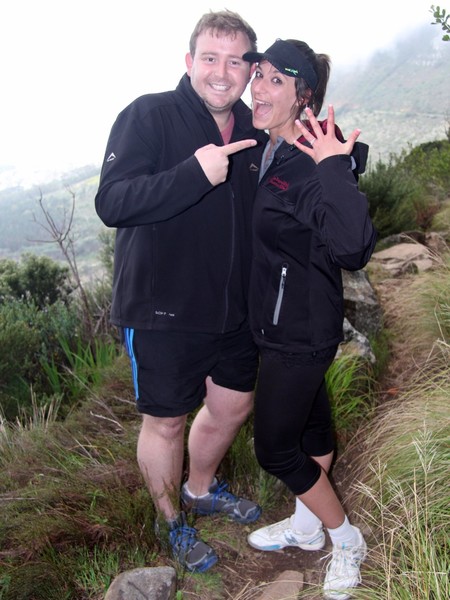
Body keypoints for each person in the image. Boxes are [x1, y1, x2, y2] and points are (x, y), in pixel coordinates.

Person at [95, 10, 268, 573]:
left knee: (233, 405)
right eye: (210, 58)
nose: (222, 72)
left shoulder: (254, 124)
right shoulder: (149, 115)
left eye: (236, 60)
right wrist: (195, 173)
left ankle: (199, 488)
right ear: (189, 62)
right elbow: (112, 202)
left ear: (250, 68)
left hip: (234, 309)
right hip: (161, 308)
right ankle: (171, 521)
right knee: (166, 421)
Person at [241, 39, 377, 599]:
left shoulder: (309, 161)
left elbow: (353, 247)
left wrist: (334, 167)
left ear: (304, 97)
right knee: (311, 430)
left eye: (278, 81)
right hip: (281, 323)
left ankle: (346, 539)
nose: (260, 88)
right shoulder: (269, 148)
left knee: (275, 447)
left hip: (299, 332)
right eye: (261, 75)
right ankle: (305, 527)